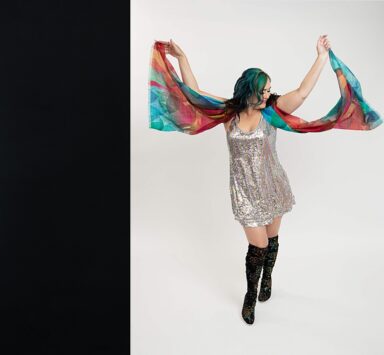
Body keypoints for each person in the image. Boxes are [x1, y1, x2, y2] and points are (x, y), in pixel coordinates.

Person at [150, 35, 379, 324]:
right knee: (256, 247)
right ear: (249, 91)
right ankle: (250, 295)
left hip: (272, 186)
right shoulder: (228, 112)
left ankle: (267, 277)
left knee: (271, 241)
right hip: (244, 192)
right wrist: (182, 58)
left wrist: (321, 57)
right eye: (264, 91)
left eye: (270, 90)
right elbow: (194, 95)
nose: (268, 95)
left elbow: (302, 92)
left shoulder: (271, 113)